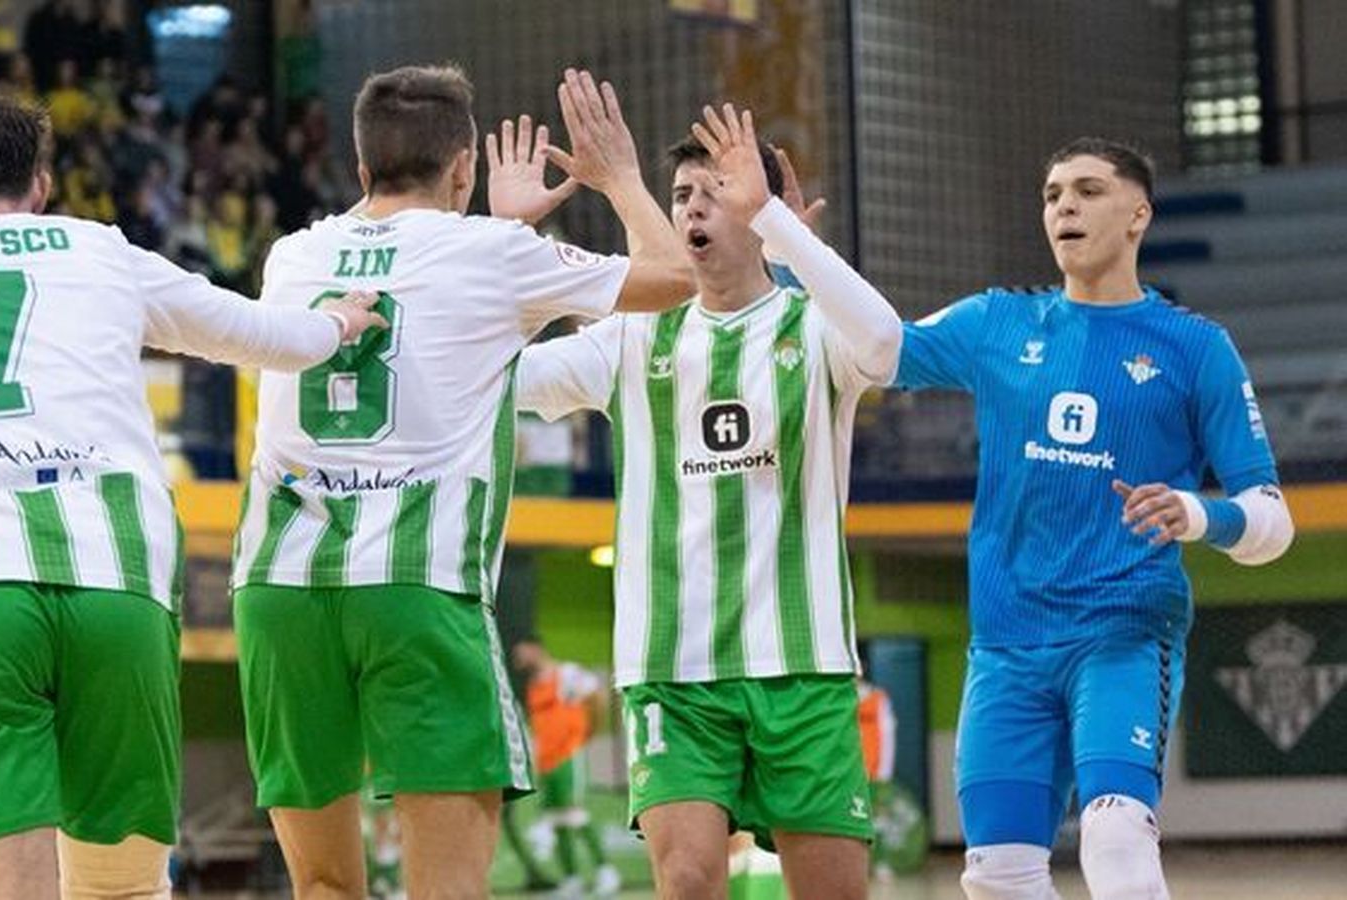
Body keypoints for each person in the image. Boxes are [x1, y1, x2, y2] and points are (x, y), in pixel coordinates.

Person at [0, 75, 383, 900]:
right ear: (41, 186)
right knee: (121, 891)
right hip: (119, 588)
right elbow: (260, 335)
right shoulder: (100, 250)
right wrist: (337, 321)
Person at [231, 65, 692, 900]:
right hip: (414, 582)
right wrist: (618, 176)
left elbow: (431, 317)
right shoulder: (495, 252)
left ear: (362, 169)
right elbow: (676, 279)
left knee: (325, 886)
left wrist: (505, 248)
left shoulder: (291, 255)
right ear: (464, 171)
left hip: (276, 584)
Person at [508, 103, 901, 899]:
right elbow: (500, 379)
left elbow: (886, 344)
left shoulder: (813, 328)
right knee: (688, 880)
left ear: (761, 210)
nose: (690, 204)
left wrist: (784, 228)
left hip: (804, 668)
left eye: (715, 191)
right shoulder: (633, 337)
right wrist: (505, 251)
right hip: (671, 670)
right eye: (682, 192)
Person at [888, 137, 1295, 900]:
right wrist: (781, 241)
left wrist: (1196, 514)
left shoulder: (1194, 348)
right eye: (1050, 194)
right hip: (1006, 643)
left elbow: (1273, 520)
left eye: (1086, 190)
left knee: (1114, 836)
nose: (1063, 206)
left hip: (1123, 631)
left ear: (1138, 214)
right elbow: (879, 350)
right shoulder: (998, 323)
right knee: (997, 878)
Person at [512, 637, 619, 897]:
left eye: (521, 652)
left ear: (536, 648)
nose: (518, 659)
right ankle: (571, 879)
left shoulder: (567, 674)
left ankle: (606, 872)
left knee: (574, 814)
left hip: (568, 756)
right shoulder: (533, 685)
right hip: (546, 760)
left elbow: (598, 696)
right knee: (557, 820)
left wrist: (587, 732)